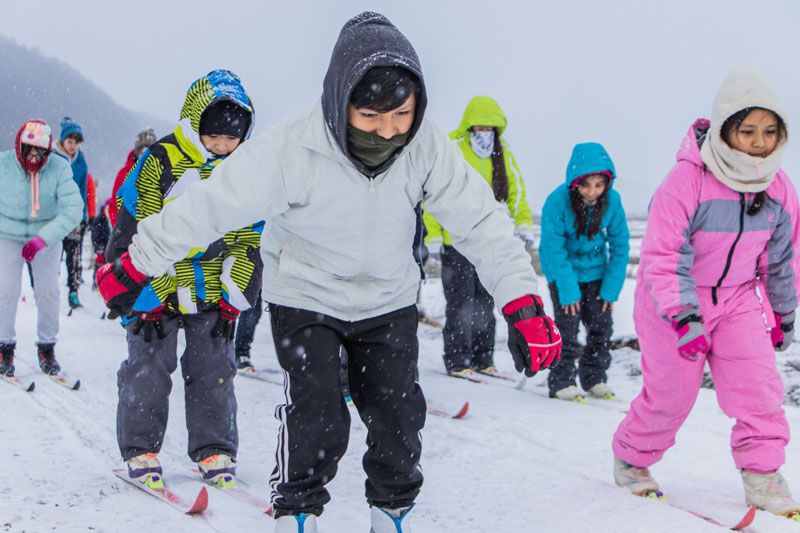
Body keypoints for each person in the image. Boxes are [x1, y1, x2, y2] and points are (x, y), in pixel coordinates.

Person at [96, 12, 561, 533]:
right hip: (306, 294)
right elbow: (210, 205)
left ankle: (390, 516)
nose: (388, 131)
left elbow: (481, 222)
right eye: (370, 116)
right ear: (341, 100)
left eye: (401, 115)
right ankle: (296, 514)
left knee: (399, 420)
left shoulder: (425, 146)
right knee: (317, 414)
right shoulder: (292, 146)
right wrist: (137, 262)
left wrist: (523, 303)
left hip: (389, 298)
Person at [611, 68, 800, 520]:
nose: (760, 141)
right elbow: (663, 254)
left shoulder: (778, 188)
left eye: (770, 131)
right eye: (749, 130)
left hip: (736, 301)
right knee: (671, 396)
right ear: (725, 129)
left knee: (759, 390)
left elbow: (783, 259)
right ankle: (632, 459)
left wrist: (784, 314)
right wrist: (684, 316)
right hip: (672, 303)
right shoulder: (688, 181)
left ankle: (763, 474)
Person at [102, 70, 262, 491]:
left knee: (215, 371)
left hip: (211, 290)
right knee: (147, 370)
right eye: (215, 137)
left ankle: (215, 448)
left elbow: (248, 238)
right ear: (196, 123)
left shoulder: (242, 169)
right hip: (157, 290)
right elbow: (138, 225)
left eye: (233, 139)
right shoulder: (161, 161)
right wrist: (141, 295)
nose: (223, 146)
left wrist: (235, 294)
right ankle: (140, 448)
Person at [423, 95, 535, 378]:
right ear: (469, 127)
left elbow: (515, 192)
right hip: (456, 243)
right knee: (460, 302)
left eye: (489, 129)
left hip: (489, 244)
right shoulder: (454, 149)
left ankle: (484, 358)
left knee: (486, 302)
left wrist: (523, 224)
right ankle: (458, 359)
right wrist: (433, 235)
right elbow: (433, 195)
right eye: (479, 129)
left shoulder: (503, 153)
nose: (484, 135)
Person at [539, 142, 629, 401]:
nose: (592, 192)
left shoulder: (613, 202)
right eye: (586, 185)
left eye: (599, 185)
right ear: (575, 183)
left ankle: (594, 378)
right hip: (563, 271)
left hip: (596, 272)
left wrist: (610, 289)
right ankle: (561, 381)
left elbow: (621, 247)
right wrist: (567, 290)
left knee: (601, 327)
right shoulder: (556, 202)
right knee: (567, 328)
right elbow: (553, 249)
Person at [0, 120, 82, 377]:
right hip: (7, 234)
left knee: (48, 292)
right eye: (28, 150)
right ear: (19, 147)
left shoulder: (59, 168)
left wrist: (42, 239)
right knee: (6, 290)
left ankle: (47, 346)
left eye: (40, 152)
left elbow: (73, 210)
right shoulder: (3, 165)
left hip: (45, 237)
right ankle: (4, 346)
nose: (34, 157)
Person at [53, 117, 91, 309]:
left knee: (74, 254)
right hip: (55, 215)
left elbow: (83, 188)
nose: (73, 146)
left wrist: (84, 213)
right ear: (62, 140)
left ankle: (73, 291)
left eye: (76, 142)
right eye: (70, 142)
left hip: (74, 215)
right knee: (53, 255)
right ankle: (48, 290)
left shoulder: (80, 159)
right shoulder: (53, 156)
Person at [109, 128, 157, 228]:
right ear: (137, 153)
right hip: (127, 228)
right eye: (142, 153)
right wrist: (117, 228)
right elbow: (114, 204)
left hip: (151, 230)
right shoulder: (124, 174)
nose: (145, 156)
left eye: (149, 153)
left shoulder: (160, 173)